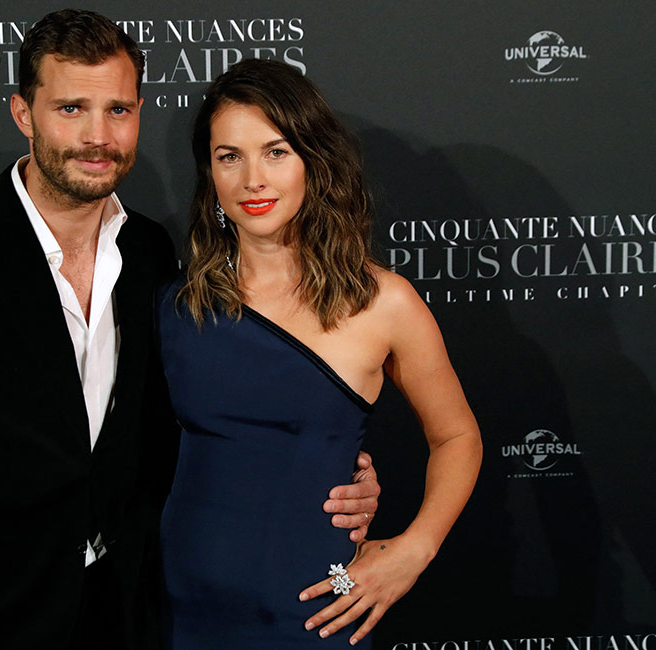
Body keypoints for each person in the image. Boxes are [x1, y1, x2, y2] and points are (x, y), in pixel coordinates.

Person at [0, 10, 380, 650]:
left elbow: (185, 427)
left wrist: (329, 469)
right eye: (71, 109)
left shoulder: (153, 256)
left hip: (136, 611)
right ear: (24, 114)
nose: (97, 136)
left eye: (118, 110)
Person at [156, 59, 483, 648]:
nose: (253, 178)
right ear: (209, 173)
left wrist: (415, 548)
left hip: (314, 610)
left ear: (313, 159)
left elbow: (457, 436)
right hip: (179, 606)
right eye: (230, 156)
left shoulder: (382, 302)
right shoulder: (176, 306)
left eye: (276, 151)